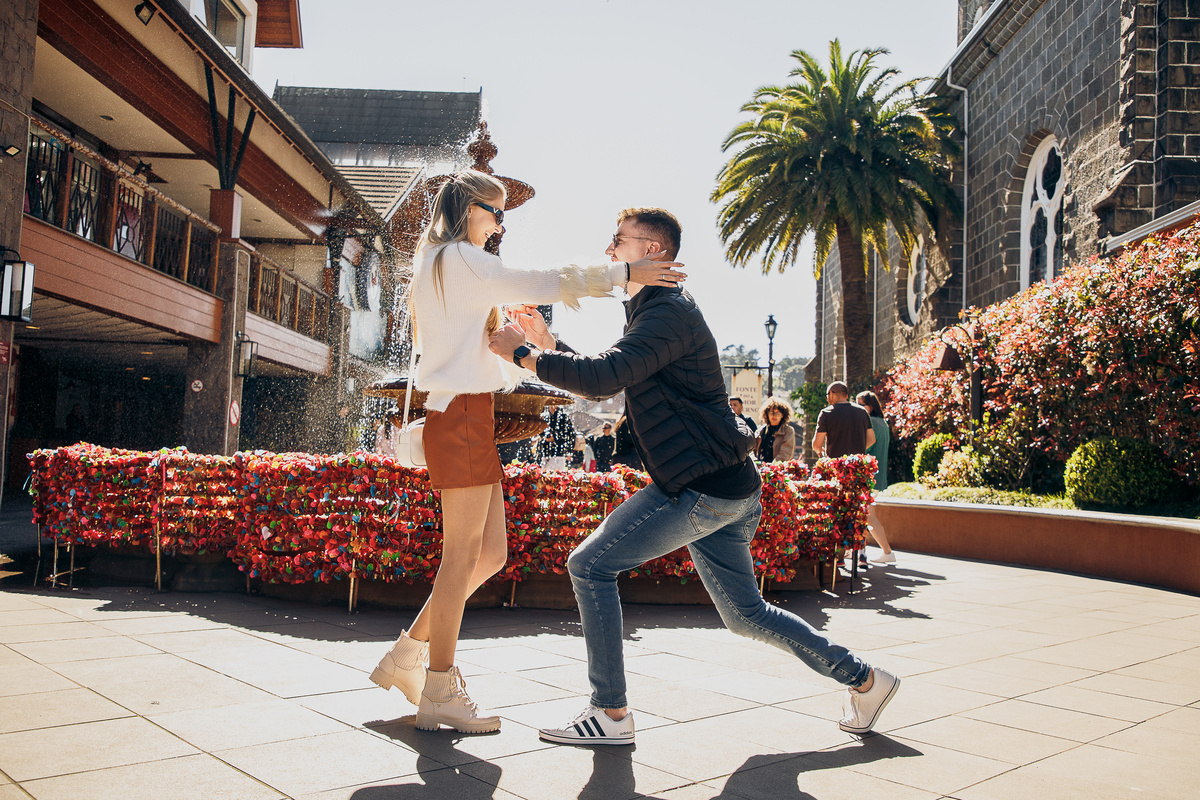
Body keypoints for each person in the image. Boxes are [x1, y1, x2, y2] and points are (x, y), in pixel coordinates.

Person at [489, 207, 899, 746]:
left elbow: (605, 376)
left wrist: (520, 353)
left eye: (619, 241)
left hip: (700, 489)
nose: (610, 252)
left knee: (589, 566)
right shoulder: (655, 311)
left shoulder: (667, 312)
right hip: (726, 486)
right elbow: (617, 375)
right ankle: (864, 679)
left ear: (653, 251)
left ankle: (610, 714)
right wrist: (548, 347)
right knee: (747, 616)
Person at [368, 170, 686, 734]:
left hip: (469, 414)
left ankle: (407, 656)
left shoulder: (449, 260)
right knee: (461, 557)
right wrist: (626, 273)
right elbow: (547, 278)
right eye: (495, 212)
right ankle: (438, 687)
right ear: (468, 209)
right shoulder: (461, 258)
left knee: (488, 554)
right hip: (461, 415)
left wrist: (522, 347)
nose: (499, 223)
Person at [856, 391, 897, 565]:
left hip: (868, 476)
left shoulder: (870, 422)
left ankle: (887, 552)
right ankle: (860, 551)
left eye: (860, 404)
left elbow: (865, 446)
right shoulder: (883, 423)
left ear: (869, 406)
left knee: (868, 516)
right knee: (865, 515)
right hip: (878, 478)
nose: (857, 408)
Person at [812, 381, 875, 458]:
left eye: (827, 396)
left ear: (831, 394)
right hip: (857, 465)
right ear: (846, 396)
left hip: (835, 465)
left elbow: (817, 445)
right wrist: (855, 452)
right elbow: (872, 439)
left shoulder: (826, 413)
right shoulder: (862, 412)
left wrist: (821, 451)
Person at [755, 397, 796, 462]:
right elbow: (753, 450)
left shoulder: (788, 431)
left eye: (777, 414)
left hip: (779, 469)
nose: (774, 416)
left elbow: (786, 453)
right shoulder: (761, 431)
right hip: (760, 467)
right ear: (767, 414)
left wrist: (773, 466)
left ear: (782, 415)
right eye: (771, 413)